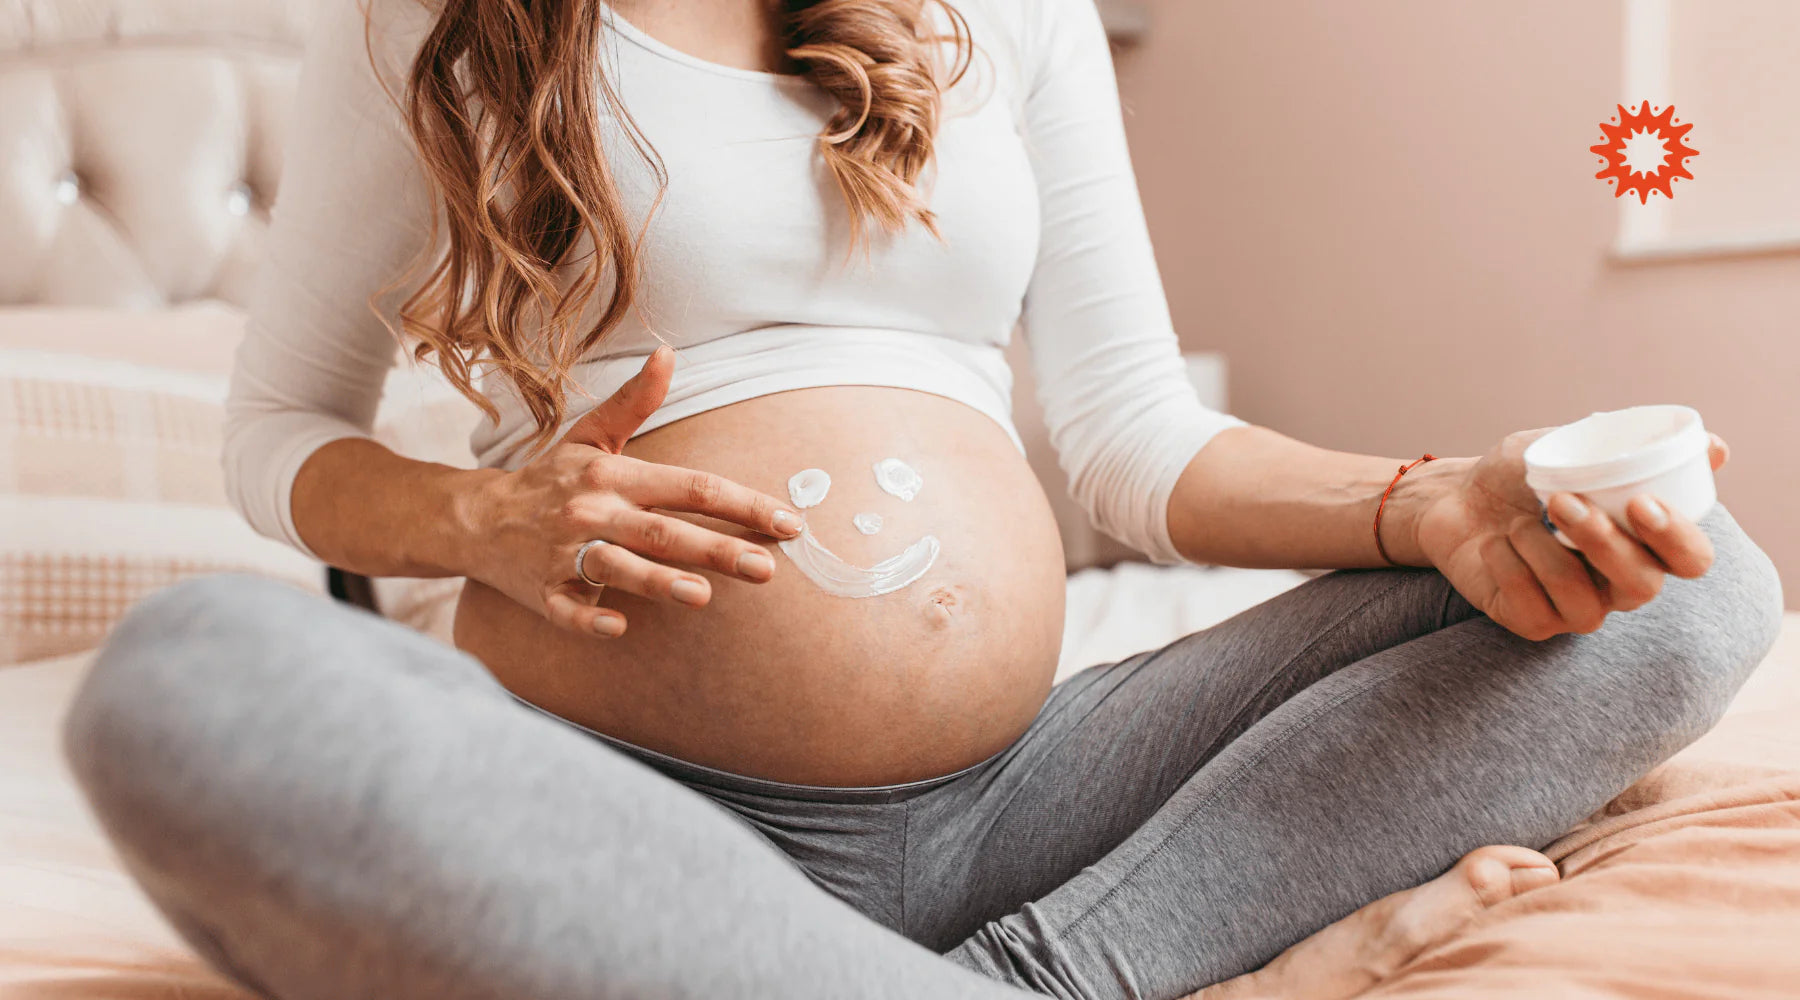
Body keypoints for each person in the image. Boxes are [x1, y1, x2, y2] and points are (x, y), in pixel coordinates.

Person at [64, 0, 1784, 997]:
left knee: (1689, 591)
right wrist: (482, 524)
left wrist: (1435, 503)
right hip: (639, 813)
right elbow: (278, 434)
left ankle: (1031, 976)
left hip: (1027, 797)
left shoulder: (1003, 11)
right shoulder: (452, 28)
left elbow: (1133, 439)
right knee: (187, 678)